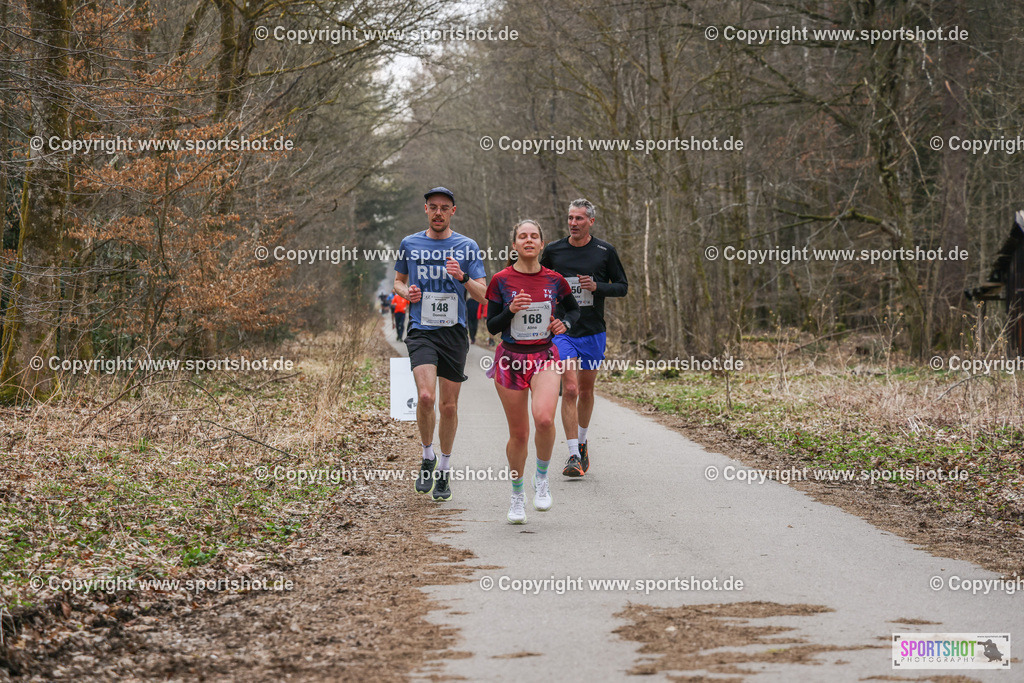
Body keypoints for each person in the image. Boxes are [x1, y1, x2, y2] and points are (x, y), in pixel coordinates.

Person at [393, 187, 487, 502]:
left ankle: (445, 469)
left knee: (448, 406)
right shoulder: (410, 243)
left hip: (454, 333)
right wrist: (406, 294)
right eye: (432, 207)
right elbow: (398, 281)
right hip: (421, 330)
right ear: (425, 210)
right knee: (424, 396)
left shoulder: (467, 246)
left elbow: (484, 294)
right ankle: (427, 456)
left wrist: (462, 278)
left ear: (453, 211)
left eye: (444, 208)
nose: (438, 212)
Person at [486, 220, 580, 523]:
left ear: (542, 244)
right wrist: (510, 311)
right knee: (519, 433)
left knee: (543, 419)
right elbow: (491, 326)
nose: (529, 240)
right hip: (511, 359)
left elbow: (573, 309)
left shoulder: (554, 280)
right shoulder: (501, 280)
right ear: (514, 245)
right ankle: (516, 494)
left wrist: (564, 323)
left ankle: (541, 479)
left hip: (544, 358)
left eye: (534, 236)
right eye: (522, 237)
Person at [540, 198, 628, 477]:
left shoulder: (605, 251)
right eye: (570, 218)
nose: (573, 223)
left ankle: (582, 440)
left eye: (579, 219)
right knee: (570, 389)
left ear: (591, 221)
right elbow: (539, 279)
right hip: (563, 330)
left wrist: (597, 286)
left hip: (593, 330)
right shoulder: (554, 251)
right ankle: (573, 455)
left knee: (587, 390)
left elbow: (623, 287)